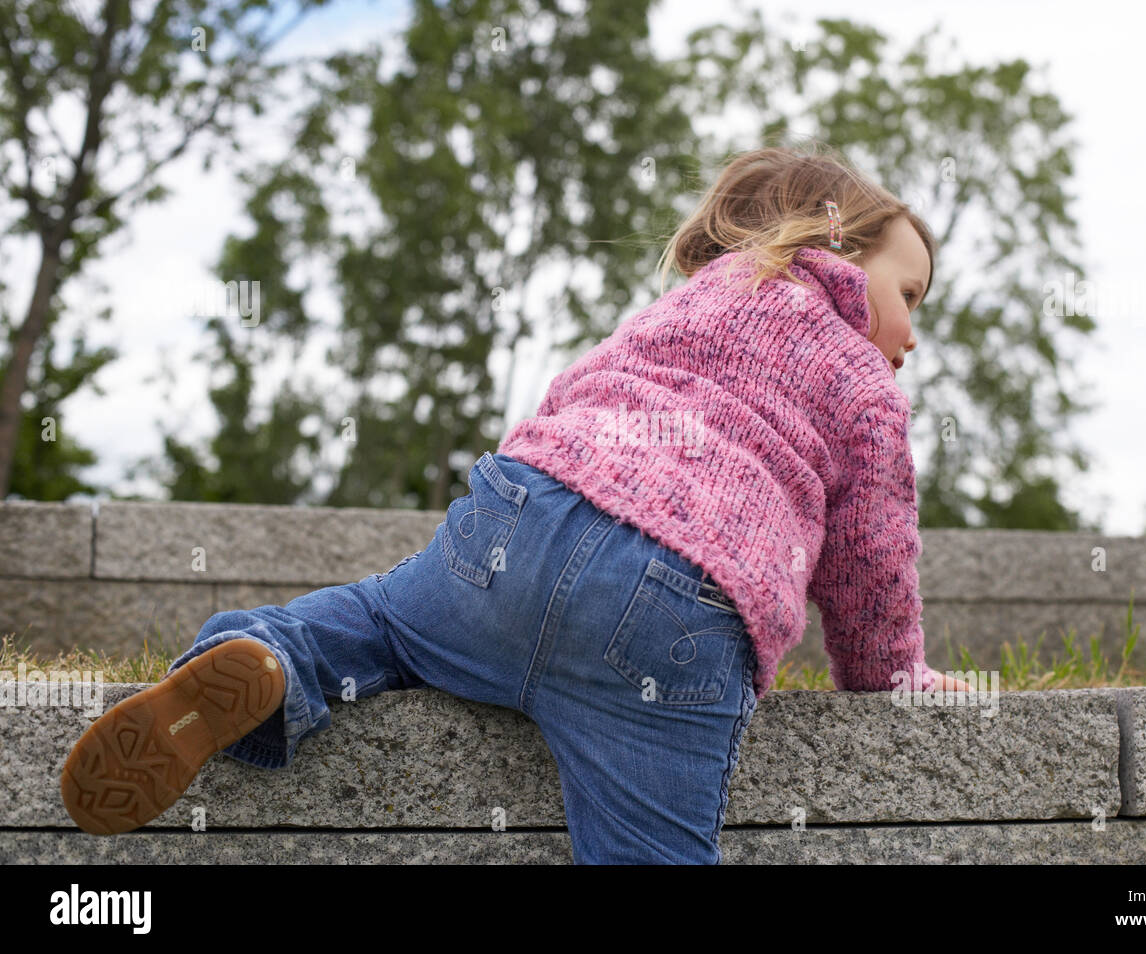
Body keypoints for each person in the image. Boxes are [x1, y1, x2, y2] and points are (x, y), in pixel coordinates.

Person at [61, 142, 968, 863]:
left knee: (380, 622)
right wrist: (893, 678)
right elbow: (871, 562)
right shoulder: (862, 381)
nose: (913, 334)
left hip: (518, 524)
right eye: (908, 295)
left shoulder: (694, 298)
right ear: (835, 245)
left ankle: (270, 659)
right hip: (671, 612)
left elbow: (574, 392)